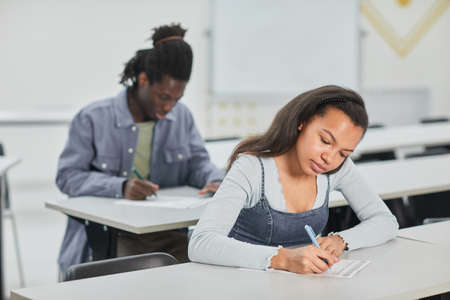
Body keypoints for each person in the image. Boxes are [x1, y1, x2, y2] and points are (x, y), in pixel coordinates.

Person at [56, 23, 224, 274]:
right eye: (163, 97)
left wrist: (217, 180)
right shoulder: (93, 118)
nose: (169, 108)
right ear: (143, 80)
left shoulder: (182, 117)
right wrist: (120, 187)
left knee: (206, 270)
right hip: (110, 240)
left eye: (176, 99)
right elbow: (67, 177)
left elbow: (198, 163)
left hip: (165, 238)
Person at [188, 85, 398, 274]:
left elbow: (386, 222)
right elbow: (201, 242)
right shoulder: (252, 167)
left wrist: (339, 240)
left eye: (343, 153)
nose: (330, 158)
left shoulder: (337, 169)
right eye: (325, 141)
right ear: (302, 122)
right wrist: (283, 259)